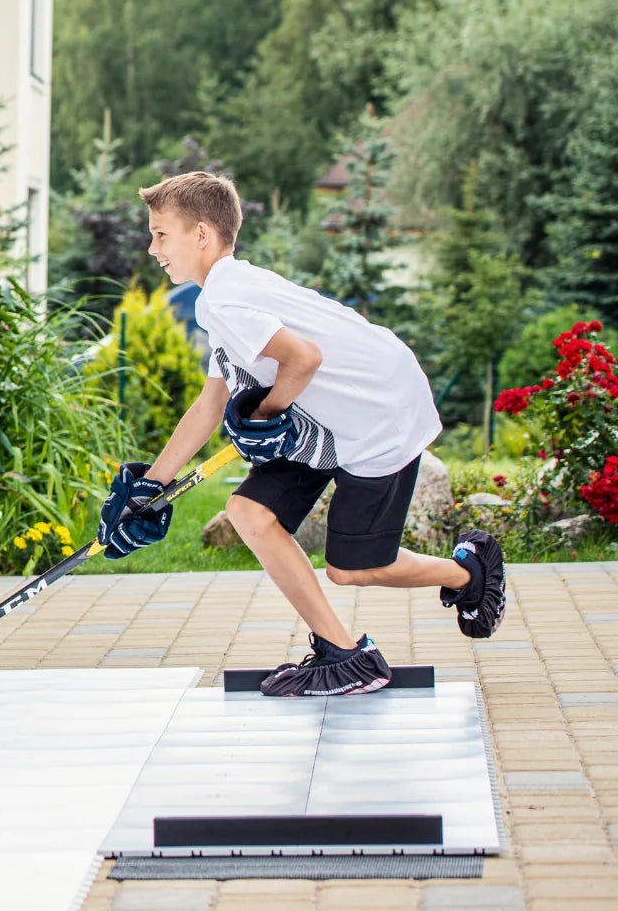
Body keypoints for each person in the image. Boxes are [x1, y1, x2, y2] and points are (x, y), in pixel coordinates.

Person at [97, 171, 506, 697]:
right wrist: (152, 486)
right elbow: (212, 402)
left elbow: (303, 358)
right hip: (320, 417)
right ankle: (347, 655)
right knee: (250, 512)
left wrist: (267, 413)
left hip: (378, 418)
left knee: (355, 569)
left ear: (201, 234)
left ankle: (469, 574)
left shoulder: (226, 298)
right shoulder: (224, 294)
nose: (152, 248)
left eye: (160, 234)